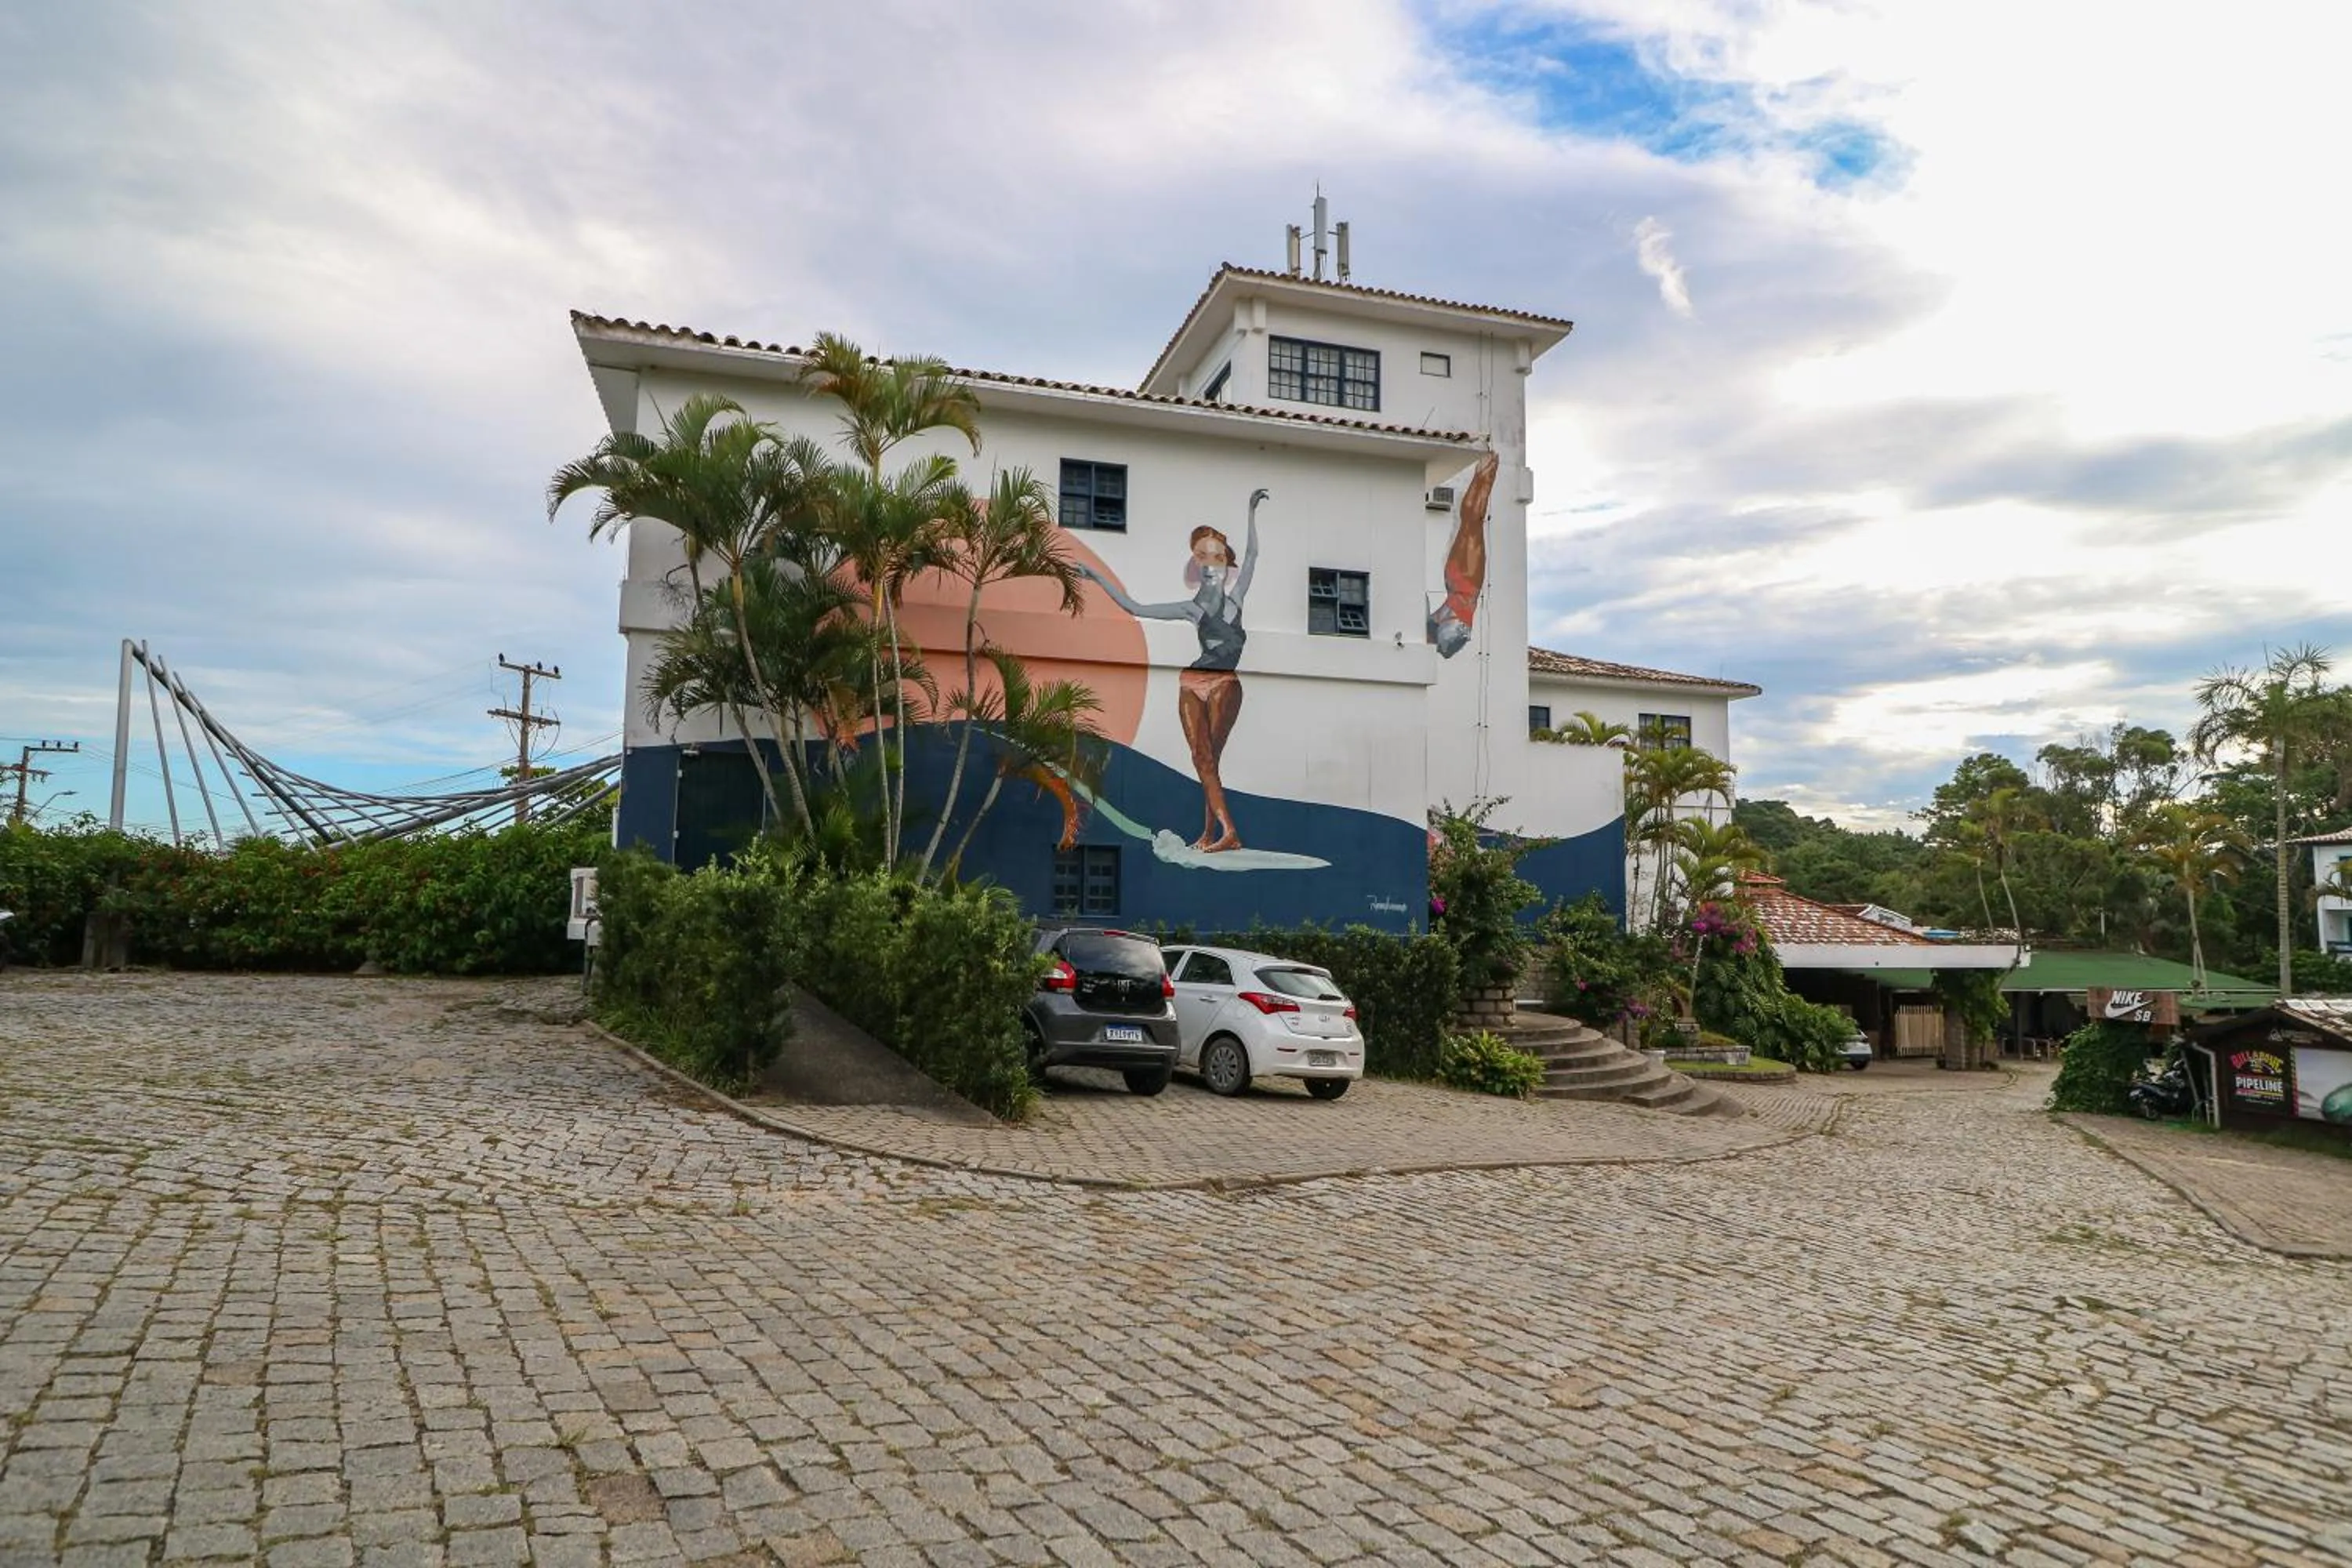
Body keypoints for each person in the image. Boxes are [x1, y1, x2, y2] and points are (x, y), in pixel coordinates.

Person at [1080, 488, 1264, 851]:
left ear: (1228, 563)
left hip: (1226, 684)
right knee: (1202, 760)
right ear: (1196, 564)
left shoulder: (1237, 599)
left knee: (1211, 760)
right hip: (1192, 681)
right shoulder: (1190, 609)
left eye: (1218, 555)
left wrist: (1250, 512)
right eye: (1203, 556)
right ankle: (1218, 834)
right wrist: (1097, 578)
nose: (1211, 562)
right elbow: (1134, 607)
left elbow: (1255, 554)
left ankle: (1227, 834)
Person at [1428, 451, 1500, 658]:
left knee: (1471, 519)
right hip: (1460, 592)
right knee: (1471, 519)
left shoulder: (1456, 597)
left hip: (1458, 597)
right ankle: (1486, 472)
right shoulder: (1460, 591)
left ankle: (1486, 472)